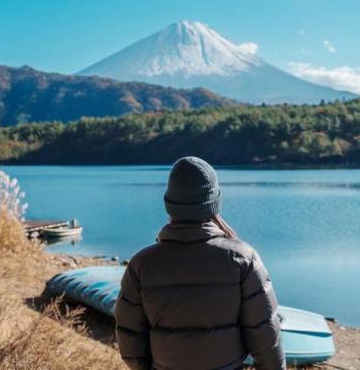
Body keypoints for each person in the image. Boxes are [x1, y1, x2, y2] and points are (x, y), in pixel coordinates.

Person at [114, 156, 285, 370]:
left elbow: (129, 340)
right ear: (214, 204)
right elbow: (267, 338)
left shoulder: (141, 264)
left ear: (170, 204)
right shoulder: (243, 259)